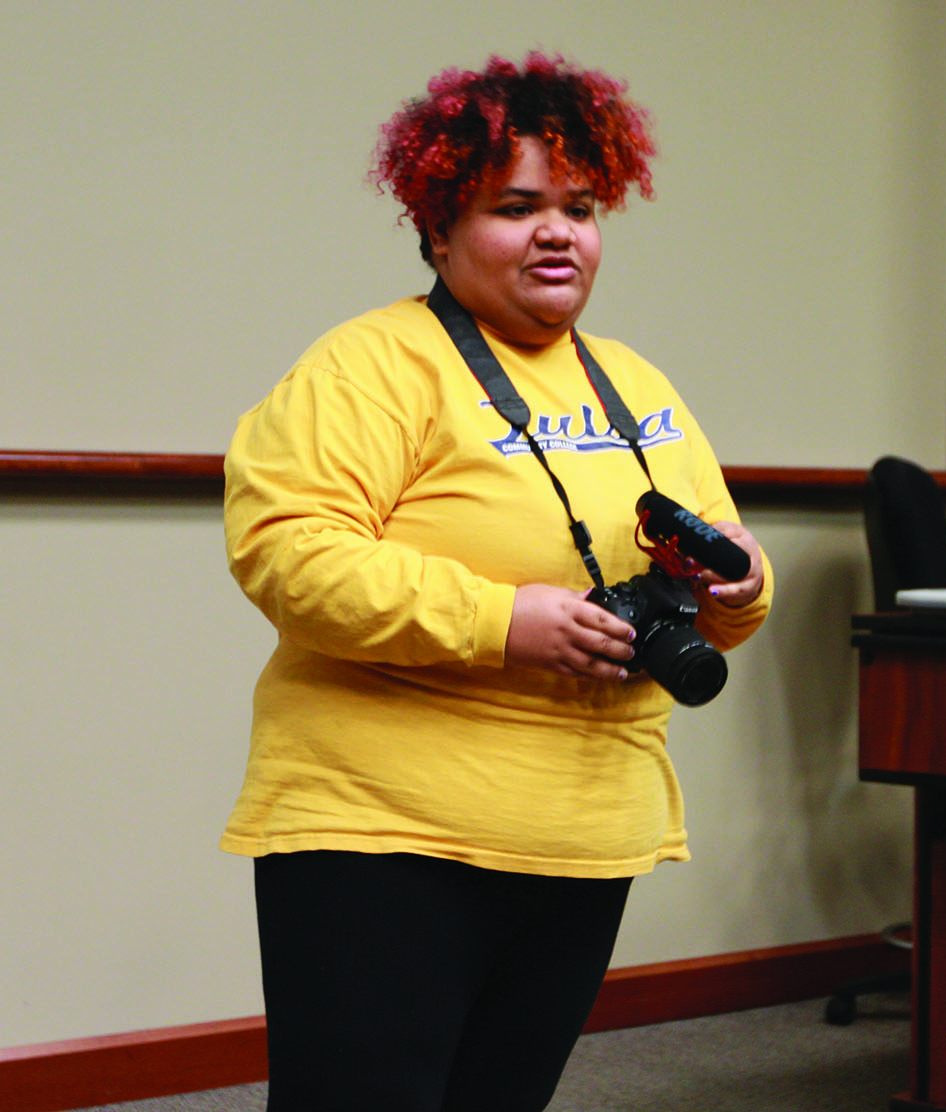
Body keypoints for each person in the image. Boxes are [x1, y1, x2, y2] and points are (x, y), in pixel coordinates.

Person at [220, 53, 772, 1112]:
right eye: (516, 206)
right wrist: (498, 621)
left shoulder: (636, 383)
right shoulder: (367, 366)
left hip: (582, 825)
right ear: (438, 227)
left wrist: (741, 588)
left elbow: (722, 565)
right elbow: (291, 553)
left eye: (579, 206)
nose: (557, 232)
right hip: (387, 829)